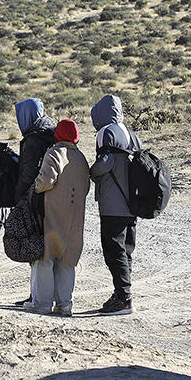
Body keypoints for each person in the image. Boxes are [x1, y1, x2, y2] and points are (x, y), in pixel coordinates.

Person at [25, 118, 90, 317]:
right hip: (75, 217)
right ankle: (65, 305)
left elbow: (45, 182)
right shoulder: (81, 158)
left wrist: (34, 185)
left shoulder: (54, 153)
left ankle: (42, 303)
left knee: (45, 258)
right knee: (67, 260)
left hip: (53, 214)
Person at [90, 93, 137, 315]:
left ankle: (124, 299)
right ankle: (122, 293)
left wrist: (89, 172)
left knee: (113, 251)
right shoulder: (131, 133)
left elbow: (105, 164)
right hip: (133, 203)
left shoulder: (106, 132)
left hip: (112, 203)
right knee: (125, 251)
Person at [13, 98, 58, 306]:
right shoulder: (52, 132)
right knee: (52, 247)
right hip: (55, 197)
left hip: (35, 198)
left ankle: (38, 296)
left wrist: (18, 196)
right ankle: (51, 293)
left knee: (35, 248)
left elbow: (28, 174)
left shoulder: (33, 139)